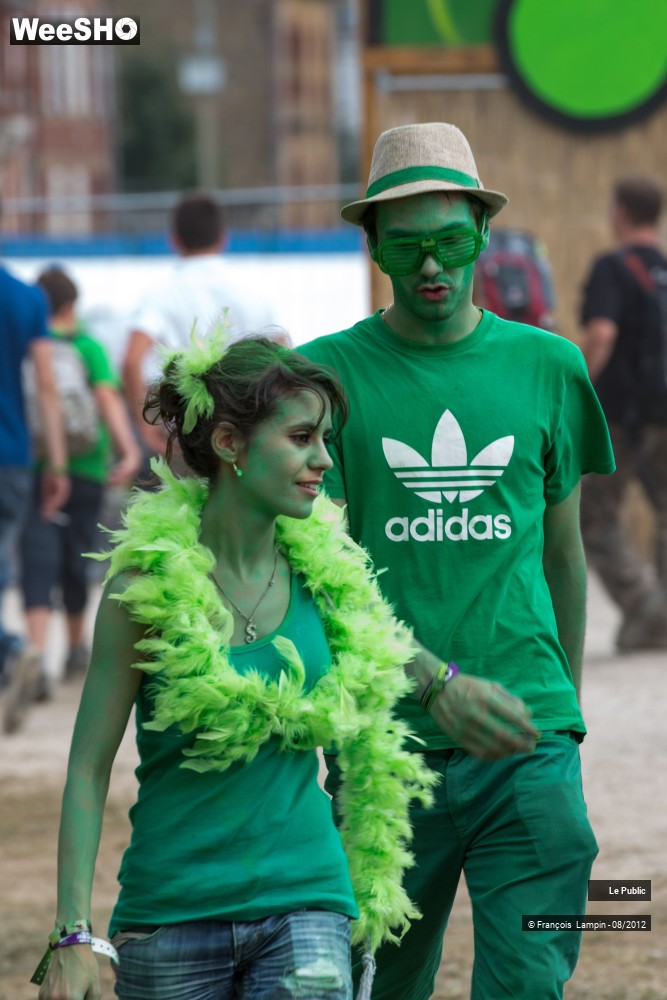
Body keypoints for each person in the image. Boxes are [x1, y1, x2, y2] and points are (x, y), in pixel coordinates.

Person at [301, 122, 616, 1000]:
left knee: (528, 983)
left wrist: (566, 715)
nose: (431, 268)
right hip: (383, 744)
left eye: (449, 242)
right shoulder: (322, 379)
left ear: (482, 232)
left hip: (529, 736)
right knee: (378, 985)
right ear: (371, 247)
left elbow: (564, 554)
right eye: (406, 247)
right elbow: (312, 566)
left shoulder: (549, 367)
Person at [34, 331, 435, 1000]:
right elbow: (86, 766)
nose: (323, 460)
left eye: (325, 439)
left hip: (307, 902)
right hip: (169, 918)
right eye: (302, 438)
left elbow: (392, 661)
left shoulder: (330, 577)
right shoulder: (141, 590)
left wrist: (446, 683)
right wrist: (73, 932)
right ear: (228, 444)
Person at [18, 266, 141, 692]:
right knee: (80, 556)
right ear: (72, 304)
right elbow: (107, 398)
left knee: (37, 555)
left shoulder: (28, 343)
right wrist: (129, 449)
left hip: (34, 466)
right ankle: (74, 649)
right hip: (87, 467)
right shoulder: (87, 346)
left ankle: (33, 652)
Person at [579, 175, 667, 651]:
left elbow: (603, 334)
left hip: (621, 417)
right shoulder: (662, 269)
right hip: (666, 412)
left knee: (591, 513)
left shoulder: (613, 268)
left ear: (621, 213)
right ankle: (661, 617)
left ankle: (645, 605)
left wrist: (576, 387)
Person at [122, 191, 272, 463]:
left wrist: (146, 425)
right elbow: (281, 352)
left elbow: (132, 360)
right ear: (223, 238)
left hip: (185, 434)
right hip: (246, 430)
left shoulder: (161, 293)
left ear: (174, 240)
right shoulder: (252, 291)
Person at [0, 246, 69, 734]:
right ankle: (15, 651)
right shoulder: (26, 297)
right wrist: (58, 462)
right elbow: (45, 381)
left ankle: (13, 648)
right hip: (13, 453)